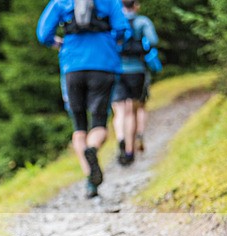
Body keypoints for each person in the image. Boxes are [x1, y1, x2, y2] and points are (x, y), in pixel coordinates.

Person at [37, 0, 130, 198]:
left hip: (72, 66)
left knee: (79, 127)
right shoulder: (110, 1)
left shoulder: (61, 2)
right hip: (103, 64)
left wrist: (58, 43)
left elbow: (43, 34)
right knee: (99, 123)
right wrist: (110, 42)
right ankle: (92, 148)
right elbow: (123, 30)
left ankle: (90, 180)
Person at [111, 0, 158, 165]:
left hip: (116, 69)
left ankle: (121, 138)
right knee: (133, 109)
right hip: (136, 70)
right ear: (136, 5)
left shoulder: (114, 21)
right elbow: (153, 41)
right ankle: (131, 149)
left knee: (119, 110)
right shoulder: (142, 21)